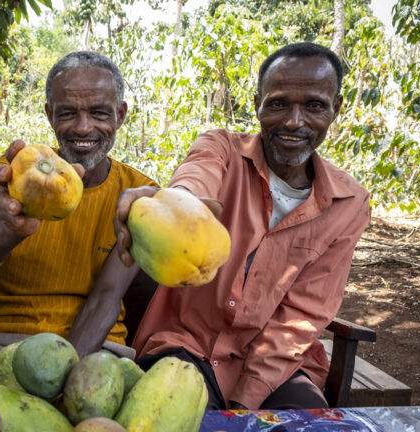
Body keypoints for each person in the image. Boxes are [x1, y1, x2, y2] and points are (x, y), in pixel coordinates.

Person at [114, 42, 370, 410]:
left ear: (336, 109)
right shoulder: (221, 149)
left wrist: (244, 404)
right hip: (186, 345)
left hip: (276, 366)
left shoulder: (349, 204)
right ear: (257, 105)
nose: (294, 121)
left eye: (313, 105)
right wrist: (177, 204)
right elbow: (195, 176)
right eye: (278, 103)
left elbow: (301, 317)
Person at [0, 51, 158, 361]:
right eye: (67, 113)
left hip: (99, 350)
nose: (82, 127)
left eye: (99, 113)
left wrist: (63, 374)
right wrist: (13, 225)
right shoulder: (19, 168)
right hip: (6, 343)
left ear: (120, 114)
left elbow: (105, 299)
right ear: (50, 115)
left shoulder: (136, 193)